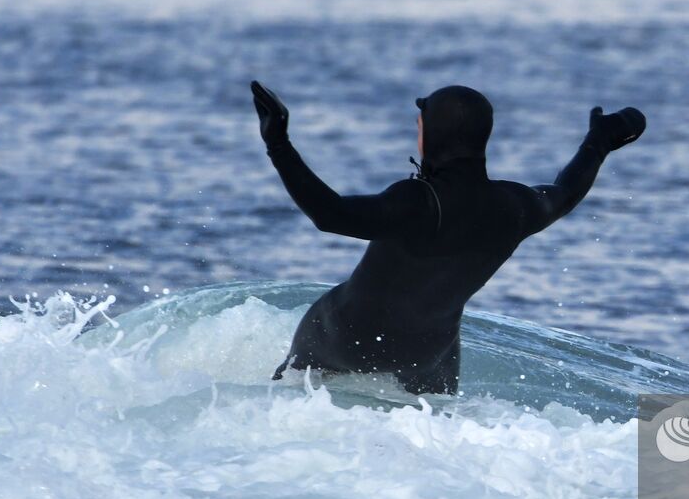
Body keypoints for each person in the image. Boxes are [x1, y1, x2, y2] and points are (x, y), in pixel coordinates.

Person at [250, 80, 645, 393]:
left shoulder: (416, 202)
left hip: (342, 338)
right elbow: (567, 192)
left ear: (430, 135)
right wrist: (600, 141)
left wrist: (277, 143)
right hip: (424, 351)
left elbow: (329, 214)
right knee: (434, 426)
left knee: (288, 399)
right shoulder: (515, 206)